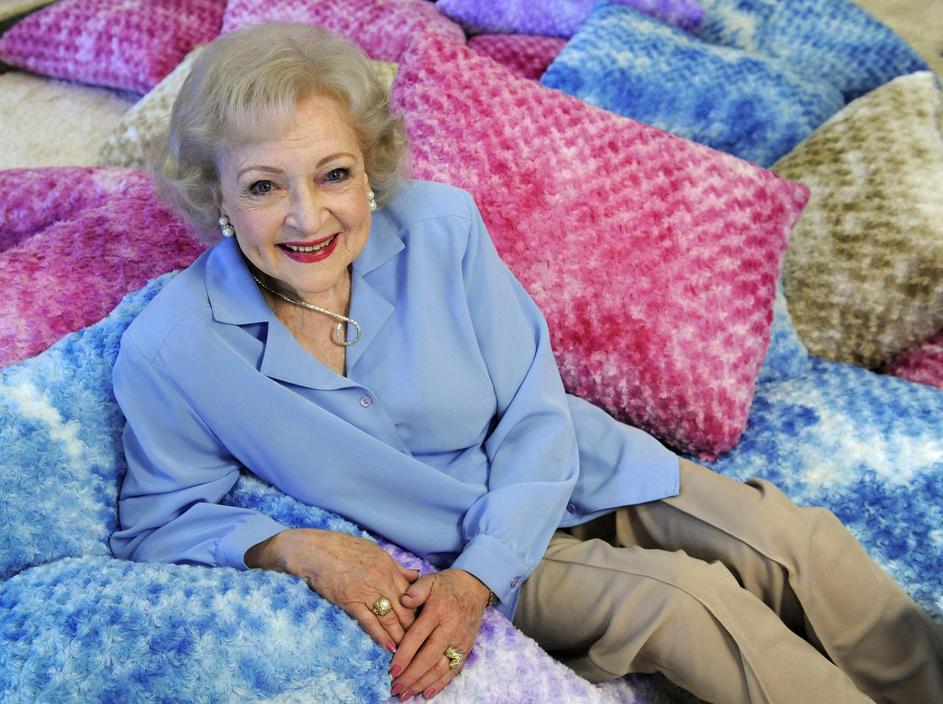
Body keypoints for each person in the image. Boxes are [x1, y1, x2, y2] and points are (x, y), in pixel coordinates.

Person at [110, 22, 943, 704]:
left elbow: (534, 409)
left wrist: (481, 574)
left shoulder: (440, 228)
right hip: (455, 541)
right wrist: (295, 548)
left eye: (334, 175)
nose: (307, 216)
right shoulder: (173, 348)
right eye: (263, 186)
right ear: (215, 194)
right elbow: (160, 518)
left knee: (791, 538)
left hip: (568, 467)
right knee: (691, 605)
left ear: (368, 171)